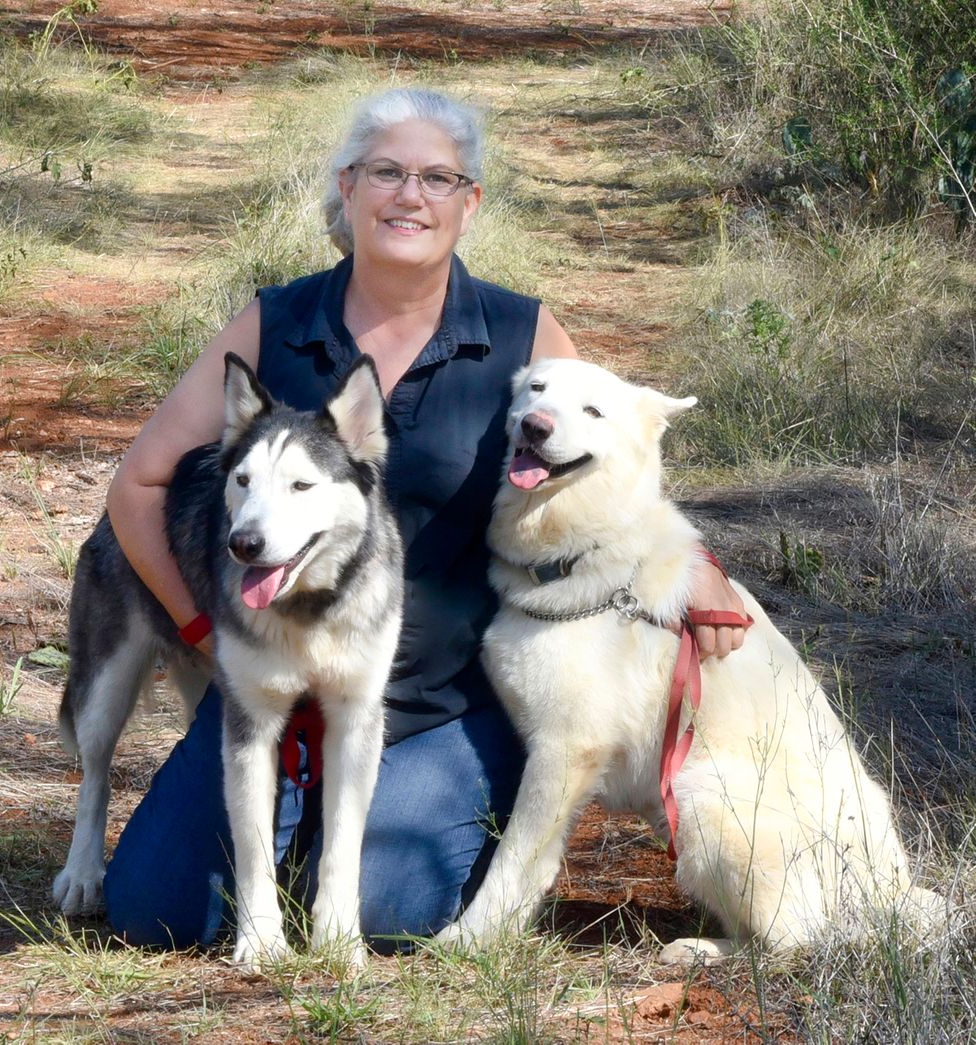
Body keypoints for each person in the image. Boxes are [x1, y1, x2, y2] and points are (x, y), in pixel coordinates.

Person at [100, 87, 748, 952]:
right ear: (348, 188)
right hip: (274, 686)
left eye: (439, 177)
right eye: (387, 173)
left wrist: (693, 562)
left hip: (444, 701)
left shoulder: (521, 332)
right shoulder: (274, 321)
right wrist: (202, 627)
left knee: (386, 910)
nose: (411, 196)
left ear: (470, 203)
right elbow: (138, 485)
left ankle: (373, 830)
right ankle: (296, 830)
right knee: (156, 909)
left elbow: (616, 454)